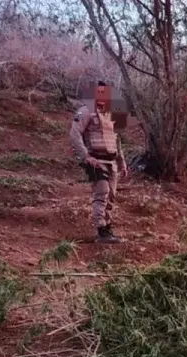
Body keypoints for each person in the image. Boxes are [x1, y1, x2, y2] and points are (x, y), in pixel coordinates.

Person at [69, 81, 128, 243]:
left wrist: (122, 162)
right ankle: (100, 230)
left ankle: (107, 228)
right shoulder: (86, 111)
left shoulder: (112, 114)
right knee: (102, 192)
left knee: (111, 196)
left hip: (111, 162)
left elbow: (117, 141)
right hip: (95, 160)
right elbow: (74, 134)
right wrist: (86, 156)